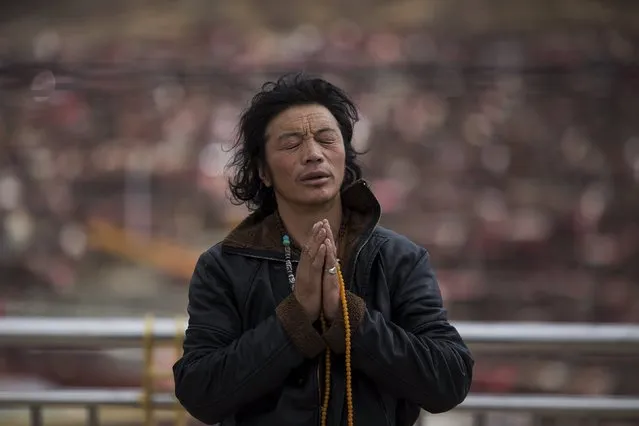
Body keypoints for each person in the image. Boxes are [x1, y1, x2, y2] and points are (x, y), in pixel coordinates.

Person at [173, 73, 474, 426]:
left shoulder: (397, 259)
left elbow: (449, 380)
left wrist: (349, 318)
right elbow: (199, 391)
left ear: (345, 154)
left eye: (326, 139)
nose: (313, 154)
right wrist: (294, 320)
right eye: (290, 144)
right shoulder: (224, 266)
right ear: (263, 172)